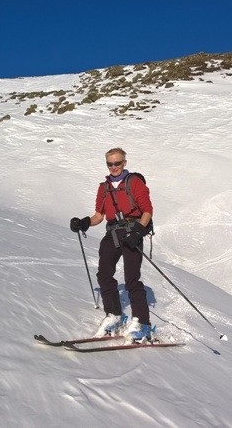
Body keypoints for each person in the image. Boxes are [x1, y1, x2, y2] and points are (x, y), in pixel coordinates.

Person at [70, 147, 154, 343]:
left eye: (117, 163)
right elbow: (99, 216)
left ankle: (143, 324)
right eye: (110, 164)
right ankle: (115, 315)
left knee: (131, 278)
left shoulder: (135, 183)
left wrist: (138, 232)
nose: (114, 167)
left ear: (124, 163)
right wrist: (84, 223)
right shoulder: (104, 187)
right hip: (113, 232)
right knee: (104, 273)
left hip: (133, 231)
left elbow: (147, 211)